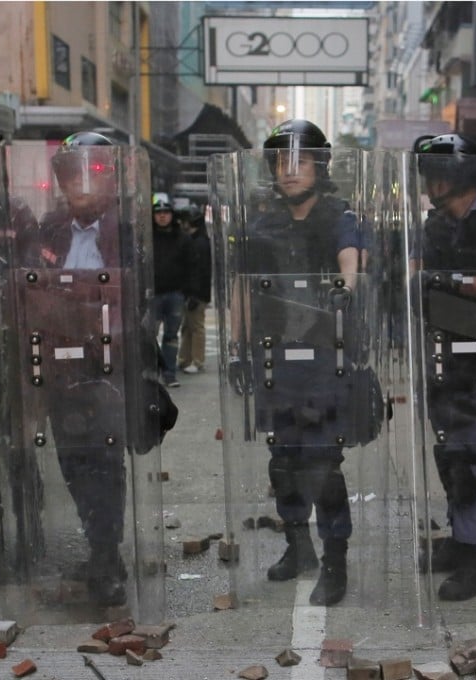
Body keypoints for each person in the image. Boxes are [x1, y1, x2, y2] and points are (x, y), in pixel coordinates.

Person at [230, 119, 361, 606]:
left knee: (323, 463)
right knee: (283, 461)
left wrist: (345, 293)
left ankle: (336, 561)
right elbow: (243, 288)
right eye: (280, 162)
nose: (288, 171)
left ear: (319, 166)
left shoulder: (337, 215)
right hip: (275, 357)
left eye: (299, 161)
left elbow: (352, 262)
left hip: (327, 358)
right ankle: (297, 547)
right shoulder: (261, 223)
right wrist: (237, 349)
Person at [31, 130, 139, 605]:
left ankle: (106, 551)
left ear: (110, 180)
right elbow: (31, 286)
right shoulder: (50, 229)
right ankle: (96, 542)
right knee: (72, 460)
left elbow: (137, 294)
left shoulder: (126, 229)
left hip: (108, 364)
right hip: (60, 362)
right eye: (73, 177)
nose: (82, 187)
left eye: (91, 175)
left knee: (105, 459)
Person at [410, 132, 476, 601]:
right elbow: (411, 276)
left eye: (441, 171)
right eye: (428, 172)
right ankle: (459, 540)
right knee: (445, 452)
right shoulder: (435, 223)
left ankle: (475, 562)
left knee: (467, 458)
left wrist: (445, 282)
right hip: (440, 350)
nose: (432, 181)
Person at [151, 192, 196, 387]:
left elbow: (192, 266)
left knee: (171, 336)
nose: (162, 216)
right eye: (158, 212)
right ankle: (151, 372)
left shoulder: (183, 239)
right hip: (152, 294)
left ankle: (169, 373)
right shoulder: (146, 238)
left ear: (172, 214)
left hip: (175, 294)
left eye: (166, 212)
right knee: (148, 336)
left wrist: (189, 292)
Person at [177, 203, 212, 374]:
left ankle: (197, 360)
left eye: (184, 220)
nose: (182, 223)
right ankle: (185, 358)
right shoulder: (197, 241)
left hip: (196, 293)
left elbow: (200, 272)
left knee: (196, 327)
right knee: (188, 326)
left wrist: (194, 294)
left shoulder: (199, 243)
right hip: (193, 292)